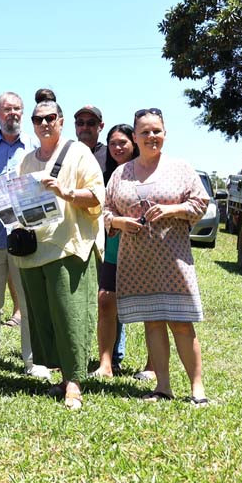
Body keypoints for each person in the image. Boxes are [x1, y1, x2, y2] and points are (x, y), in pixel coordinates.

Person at [105, 108, 210, 405]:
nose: (152, 136)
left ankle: (197, 388)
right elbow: (105, 210)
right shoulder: (120, 173)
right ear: (135, 137)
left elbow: (200, 202)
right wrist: (118, 222)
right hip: (137, 261)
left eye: (157, 131)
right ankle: (162, 386)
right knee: (152, 322)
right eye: (145, 132)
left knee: (181, 322)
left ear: (165, 133)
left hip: (174, 260)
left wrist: (172, 210)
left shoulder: (180, 167)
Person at [12, 100, 104, 410]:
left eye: (50, 118)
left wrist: (65, 193)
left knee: (70, 316)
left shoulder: (78, 153)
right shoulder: (26, 161)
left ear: (61, 121)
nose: (44, 123)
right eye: (38, 119)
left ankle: (75, 384)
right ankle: (63, 379)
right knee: (45, 318)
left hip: (68, 246)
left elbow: (97, 196)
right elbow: (17, 202)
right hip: (34, 250)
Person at [0, 92, 51, 379]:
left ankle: (33, 361)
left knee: (29, 301)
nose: (13, 114)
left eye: (18, 109)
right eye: (7, 110)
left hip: (28, 238)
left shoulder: (36, 146)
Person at [91, 124, 140, 378]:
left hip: (145, 248)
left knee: (154, 306)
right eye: (113, 144)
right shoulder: (110, 174)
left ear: (134, 143)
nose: (118, 148)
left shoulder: (145, 169)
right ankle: (105, 363)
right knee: (106, 300)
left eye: (123, 142)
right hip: (113, 245)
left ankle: (153, 366)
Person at [74, 104, 107, 177]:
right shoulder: (66, 153)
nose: (85, 127)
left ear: (101, 126)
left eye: (91, 123)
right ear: (75, 125)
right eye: (80, 123)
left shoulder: (110, 155)